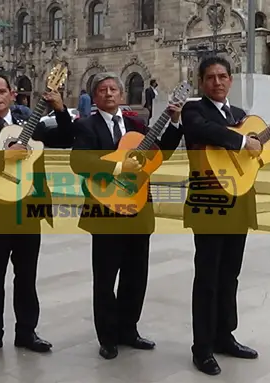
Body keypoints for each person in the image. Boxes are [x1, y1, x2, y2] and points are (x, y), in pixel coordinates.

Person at [180, 56, 270, 376]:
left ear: (231, 81)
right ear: (201, 82)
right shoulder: (194, 110)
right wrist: (241, 141)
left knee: (230, 275)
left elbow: (262, 148)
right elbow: (204, 131)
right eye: (211, 77)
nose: (218, 82)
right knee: (207, 278)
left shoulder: (240, 115)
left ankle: (225, 336)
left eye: (223, 76)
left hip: (240, 202)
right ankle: (203, 347)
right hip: (209, 201)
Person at [0, 73, 76, 362]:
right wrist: (3, 158)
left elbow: (67, 137)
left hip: (26, 209)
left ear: (12, 94)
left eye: (1, 91)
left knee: (27, 277)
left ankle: (26, 332)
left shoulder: (29, 124)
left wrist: (59, 109)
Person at [69, 72, 183, 360]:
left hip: (138, 207)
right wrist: (119, 168)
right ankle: (107, 337)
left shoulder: (137, 124)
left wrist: (174, 121)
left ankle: (129, 330)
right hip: (105, 209)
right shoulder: (86, 126)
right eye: (102, 90)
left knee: (136, 276)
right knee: (106, 278)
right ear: (94, 98)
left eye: (113, 89)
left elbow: (161, 154)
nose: (108, 93)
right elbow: (79, 161)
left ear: (121, 95)